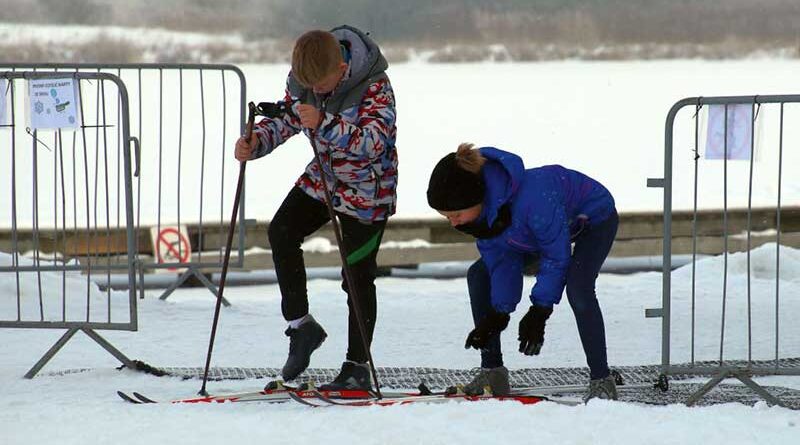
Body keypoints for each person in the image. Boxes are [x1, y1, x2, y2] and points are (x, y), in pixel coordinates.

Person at [234, 25, 398, 391]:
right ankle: (301, 327)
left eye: (322, 87)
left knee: (356, 277)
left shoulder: (375, 85)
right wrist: (255, 142)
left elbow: (374, 142)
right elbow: (288, 119)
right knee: (281, 230)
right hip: (324, 176)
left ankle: (357, 366)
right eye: (309, 86)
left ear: (341, 68)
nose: (316, 93)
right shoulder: (305, 79)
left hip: (369, 188)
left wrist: (324, 122)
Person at [426, 143, 618, 401]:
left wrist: (540, 310)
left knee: (578, 287)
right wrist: (498, 313)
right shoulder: (484, 220)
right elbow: (503, 264)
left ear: (476, 198)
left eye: (457, 214)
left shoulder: (534, 200)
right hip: (532, 234)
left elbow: (556, 256)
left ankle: (602, 379)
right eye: (446, 217)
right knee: (479, 274)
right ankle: (492, 372)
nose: (454, 223)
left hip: (593, 218)